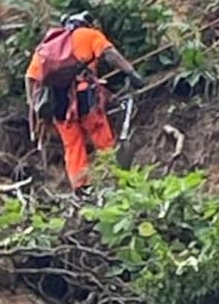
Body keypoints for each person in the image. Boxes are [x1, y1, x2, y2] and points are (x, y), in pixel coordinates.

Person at [25, 15, 143, 192]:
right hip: (84, 98)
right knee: (103, 139)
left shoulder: (48, 47)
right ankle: (116, 179)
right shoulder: (89, 35)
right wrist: (131, 73)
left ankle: (80, 188)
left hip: (58, 104)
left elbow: (30, 78)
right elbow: (110, 54)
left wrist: (33, 105)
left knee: (72, 146)